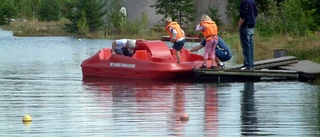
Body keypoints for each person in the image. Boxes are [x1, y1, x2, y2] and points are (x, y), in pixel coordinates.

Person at [238, 0, 258, 70]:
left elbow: (242, 16)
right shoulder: (253, 1)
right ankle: (251, 64)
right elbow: (256, 14)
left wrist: (239, 26)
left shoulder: (243, 2)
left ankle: (247, 65)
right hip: (252, 26)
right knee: (251, 46)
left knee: (246, 46)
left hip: (245, 27)